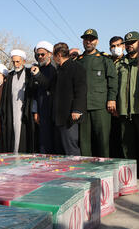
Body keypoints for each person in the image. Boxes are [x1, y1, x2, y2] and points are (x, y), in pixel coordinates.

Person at [77, 29, 118, 158]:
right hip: (83, 106)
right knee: (84, 143)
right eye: (86, 39)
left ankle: (105, 170)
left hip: (101, 106)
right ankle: (86, 170)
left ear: (97, 41)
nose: (88, 41)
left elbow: (112, 81)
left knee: (103, 141)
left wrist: (112, 99)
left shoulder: (105, 59)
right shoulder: (78, 61)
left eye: (91, 39)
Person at [52, 42, 87, 155]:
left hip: (70, 117)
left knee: (71, 147)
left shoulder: (76, 67)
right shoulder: (59, 70)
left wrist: (77, 109)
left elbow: (81, 90)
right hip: (59, 116)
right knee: (62, 149)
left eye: (53, 54)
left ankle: (75, 171)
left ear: (59, 55)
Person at [0, 49, 36, 153]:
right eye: (13, 62)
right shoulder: (10, 76)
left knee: (24, 134)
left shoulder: (29, 74)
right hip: (12, 110)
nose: (15, 64)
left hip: (25, 110)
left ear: (23, 61)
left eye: (17, 61)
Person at [117, 31, 139, 178]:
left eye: (132, 42)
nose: (129, 45)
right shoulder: (120, 63)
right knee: (127, 145)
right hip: (124, 110)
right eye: (127, 43)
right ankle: (129, 175)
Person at [31, 41, 57, 154]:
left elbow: (49, 86)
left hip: (53, 108)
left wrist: (38, 75)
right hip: (42, 109)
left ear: (50, 54)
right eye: (38, 55)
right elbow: (36, 92)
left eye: (43, 54)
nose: (40, 57)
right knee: (43, 141)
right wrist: (35, 111)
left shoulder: (55, 69)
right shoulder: (38, 69)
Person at [109, 36, 125, 158]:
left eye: (118, 45)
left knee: (124, 139)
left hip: (124, 106)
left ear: (123, 46)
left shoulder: (127, 61)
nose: (116, 48)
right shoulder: (107, 61)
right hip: (109, 106)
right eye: (113, 46)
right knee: (112, 138)